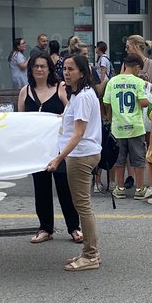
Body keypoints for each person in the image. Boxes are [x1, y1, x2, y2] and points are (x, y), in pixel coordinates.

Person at [47, 54, 102, 272]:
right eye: (65, 69)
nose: (66, 73)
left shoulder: (82, 97)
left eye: (71, 69)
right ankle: (89, 252)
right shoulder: (81, 94)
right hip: (82, 153)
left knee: (83, 207)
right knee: (83, 205)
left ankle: (91, 255)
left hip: (80, 156)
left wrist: (58, 158)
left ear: (82, 72)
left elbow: (78, 133)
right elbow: (73, 124)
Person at [20, 53, 82, 245]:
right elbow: (20, 121)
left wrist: (64, 114)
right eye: (36, 66)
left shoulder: (60, 88)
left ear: (49, 69)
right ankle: (45, 228)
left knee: (65, 187)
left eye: (43, 66)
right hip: (37, 149)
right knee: (41, 188)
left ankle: (74, 227)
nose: (39, 69)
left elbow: (71, 111)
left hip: (59, 149)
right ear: (31, 69)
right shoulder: (25, 91)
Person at [106, 54, 151, 201]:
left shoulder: (112, 81)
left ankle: (120, 188)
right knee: (138, 159)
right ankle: (139, 189)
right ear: (137, 67)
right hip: (135, 126)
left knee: (119, 160)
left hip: (118, 127)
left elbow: (106, 102)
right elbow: (143, 102)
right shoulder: (138, 82)